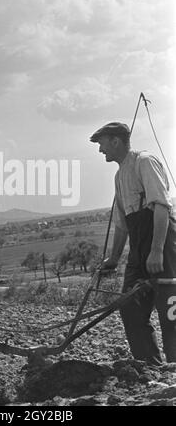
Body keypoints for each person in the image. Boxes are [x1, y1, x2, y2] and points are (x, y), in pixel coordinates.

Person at [90, 122, 176, 364]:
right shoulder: (119, 176)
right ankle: (151, 369)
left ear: (115, 141)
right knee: (130, 308)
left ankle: (174, 378)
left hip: (163, 245)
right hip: (138, 251)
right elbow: (122, 224)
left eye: (102, 143)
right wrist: (114, 258)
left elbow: (161, 206)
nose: (100, 150)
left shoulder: (144, 162)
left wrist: (157, 251)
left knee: (171, 315)